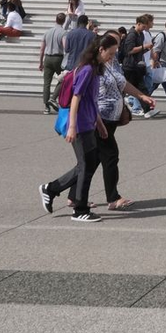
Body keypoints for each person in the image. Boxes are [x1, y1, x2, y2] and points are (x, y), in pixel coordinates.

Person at [39, 34, 111, 222]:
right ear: (100, 50)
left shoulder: (95, 69)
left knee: (89, 163)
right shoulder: (87, 70)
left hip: (88, 123)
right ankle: (80, 209)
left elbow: (91, 100)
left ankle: (52, 189)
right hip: (79, 125)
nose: (112, 57)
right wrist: (72, 127)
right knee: (86, 165)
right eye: (110, 53)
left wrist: (100, 124)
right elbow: (76, 98)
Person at [96, 30, 156, 211]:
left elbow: (122, 83)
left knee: (93, 159)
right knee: (107, 157)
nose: (116, 52)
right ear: (101, 48)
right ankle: (112, 198)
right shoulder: (92, 67)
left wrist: (141, 96)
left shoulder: (111, 61)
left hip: (111, 118)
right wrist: (96, 121)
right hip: (99, 118)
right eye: (113, 49)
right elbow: (83, 97)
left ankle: (72, 195)